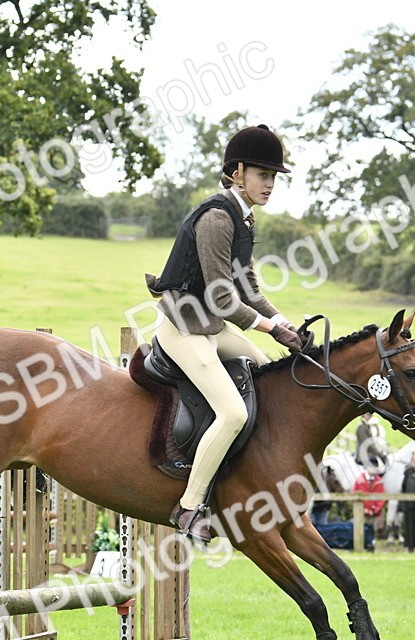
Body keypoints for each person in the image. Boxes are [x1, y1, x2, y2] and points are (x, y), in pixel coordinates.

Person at [144, 124, 302, 543]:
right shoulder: (217, 218)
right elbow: (222, 295)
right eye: (262, 175)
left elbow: (247, 288)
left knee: (269, 372)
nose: (270, 184)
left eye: (273, 177)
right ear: (236, 172)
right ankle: (190, 506)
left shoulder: (244, 219)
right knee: (233, 412)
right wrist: (269, 327)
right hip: (183, 327)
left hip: (210, 327)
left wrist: (282, 322)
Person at [352, 466, 386, 543]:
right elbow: (354, 495)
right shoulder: (359, 480)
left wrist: (375, 509)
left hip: (375, 512)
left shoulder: (379, 481)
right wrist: (364, 510)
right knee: (361, 529)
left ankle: (371, 544)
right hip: (362, 511)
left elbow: (382, 497)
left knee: (374, 530)